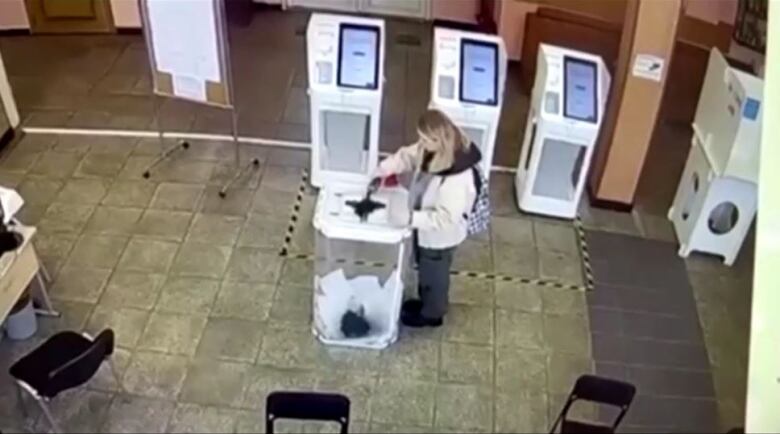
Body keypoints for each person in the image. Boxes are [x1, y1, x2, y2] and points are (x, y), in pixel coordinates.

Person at [371, 109, 481, 328]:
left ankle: (432, 314)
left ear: (438, 139)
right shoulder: (434, 148)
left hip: (441, 238)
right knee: (426, 267)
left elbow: (445, 219)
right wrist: (385, 169)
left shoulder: (458, 179)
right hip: (425, 228)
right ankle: (426, 300)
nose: (420, 143)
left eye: (424, 139)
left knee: (434, 276)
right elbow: (409, 155)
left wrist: (410, 218)